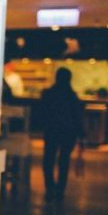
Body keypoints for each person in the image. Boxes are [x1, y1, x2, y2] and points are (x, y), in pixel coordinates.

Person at [40, 67, 84, 202]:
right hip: (68, 132)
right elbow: (77, 116)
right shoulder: (72, 96)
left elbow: (43, 113)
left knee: (48, 160)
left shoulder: (48, 94)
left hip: (51, 130)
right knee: (64, 161)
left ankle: (49, 188)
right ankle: (60, 190)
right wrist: (80, 132)